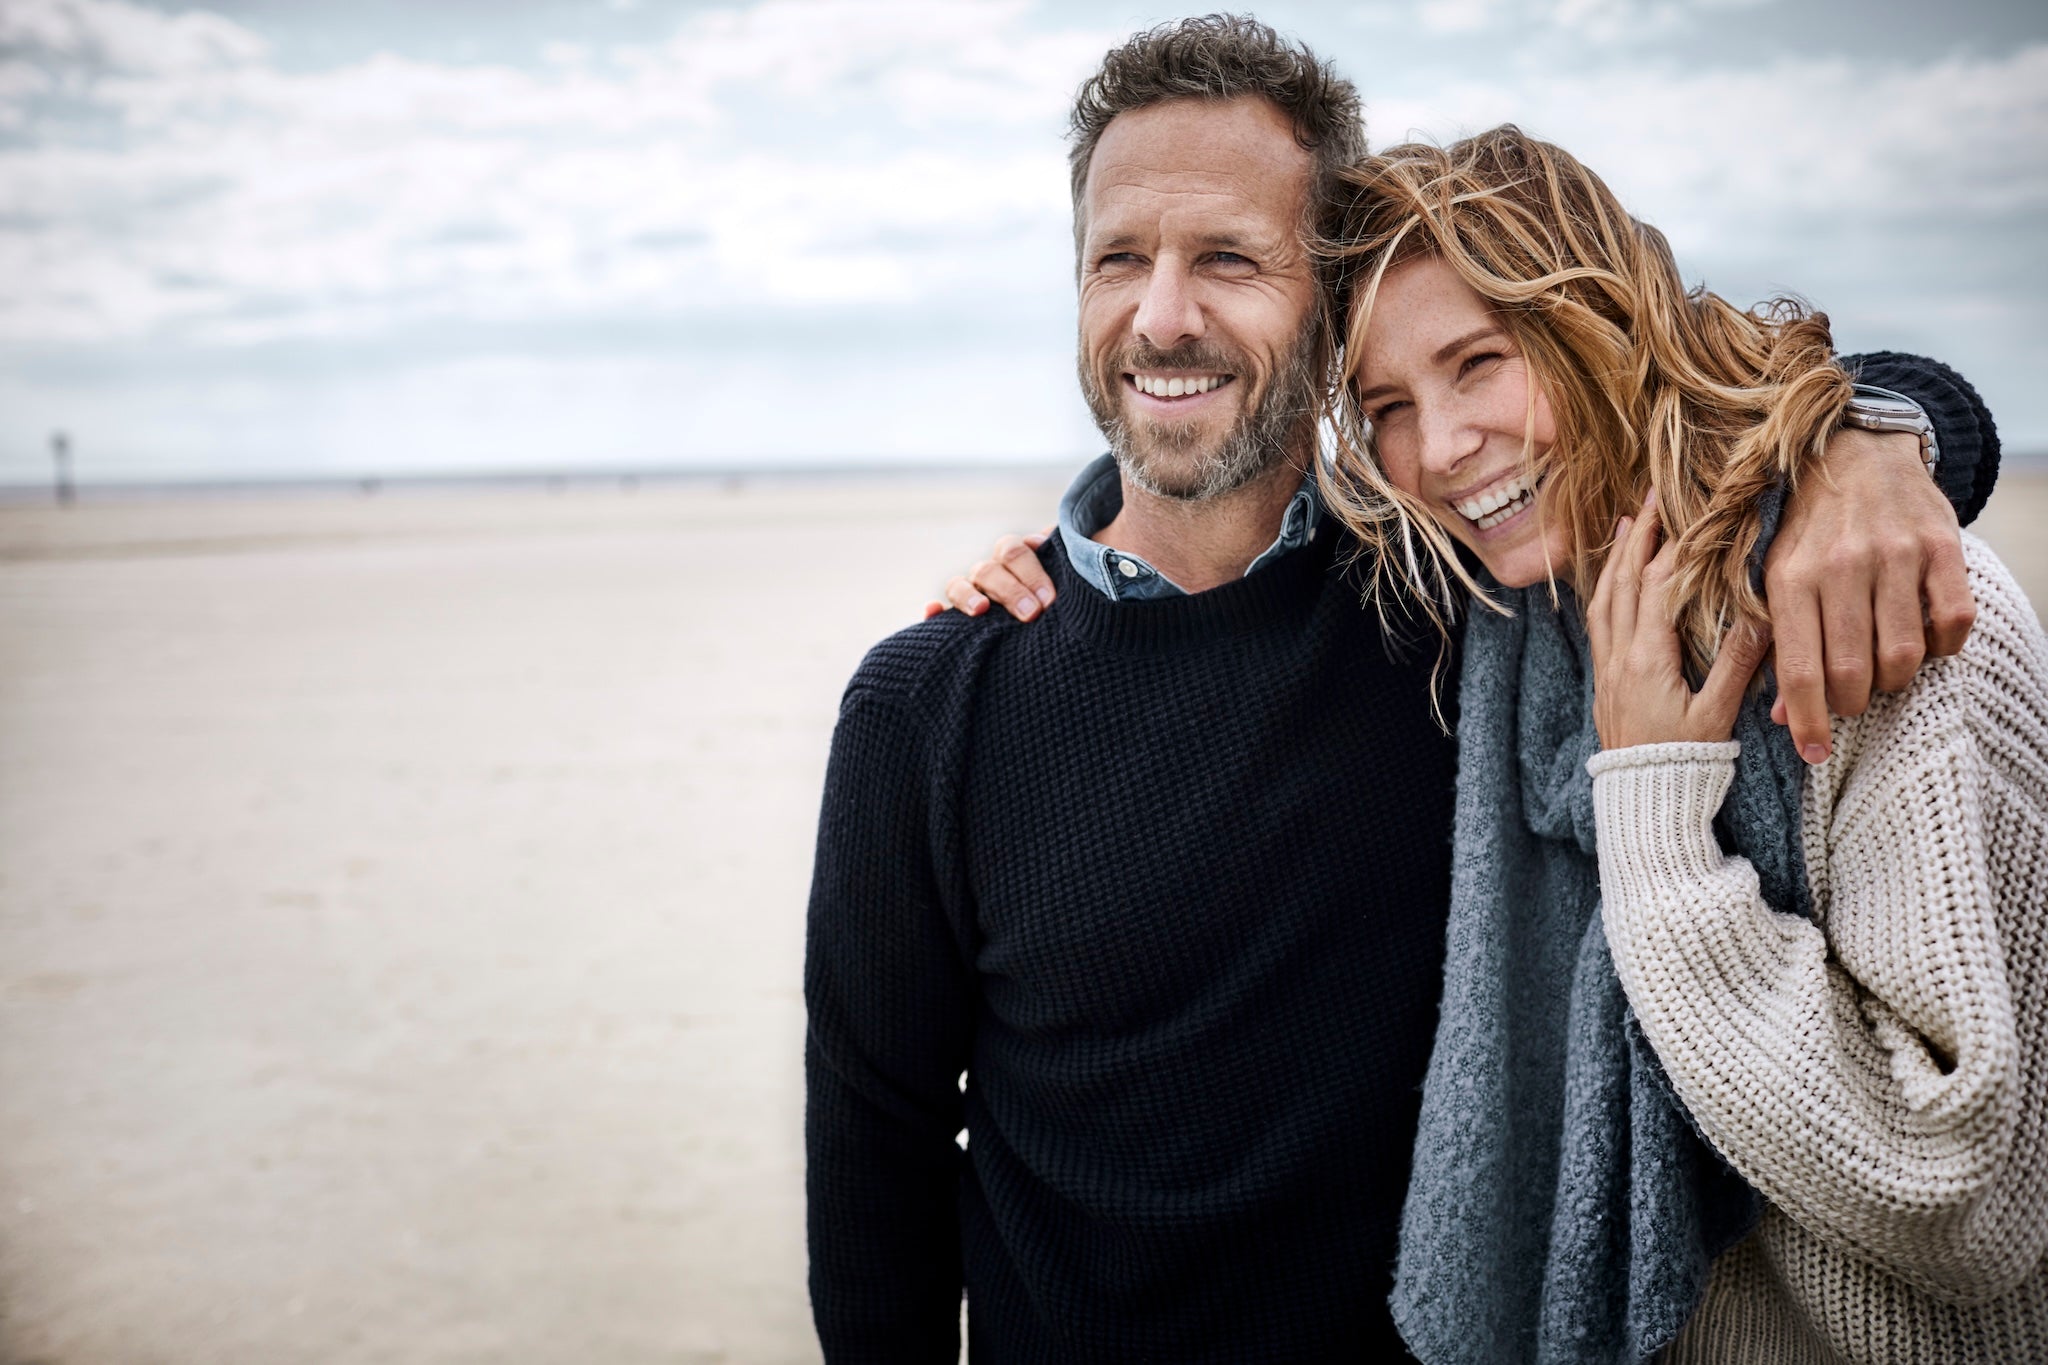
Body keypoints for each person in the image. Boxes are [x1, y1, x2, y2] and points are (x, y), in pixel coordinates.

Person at [813, 17, 1990, 1362]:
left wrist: (1878, 442)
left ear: (1331, 315)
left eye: (1229, 261)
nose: (1163, 315)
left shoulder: (1468, 617)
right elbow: (877, 1160)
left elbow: (1698, 427)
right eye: (1119, 260)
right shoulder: (930, 701)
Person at [1325, 129, 2044, 1362]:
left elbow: (1962, 1203)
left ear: (1592, 322)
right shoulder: (1504, 619)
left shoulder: (1880, 618)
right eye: (1387, 407)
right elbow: (1210, 547)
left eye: (1478, 363)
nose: (1438, 449)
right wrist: (1051, 575)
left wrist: (1655, 815)